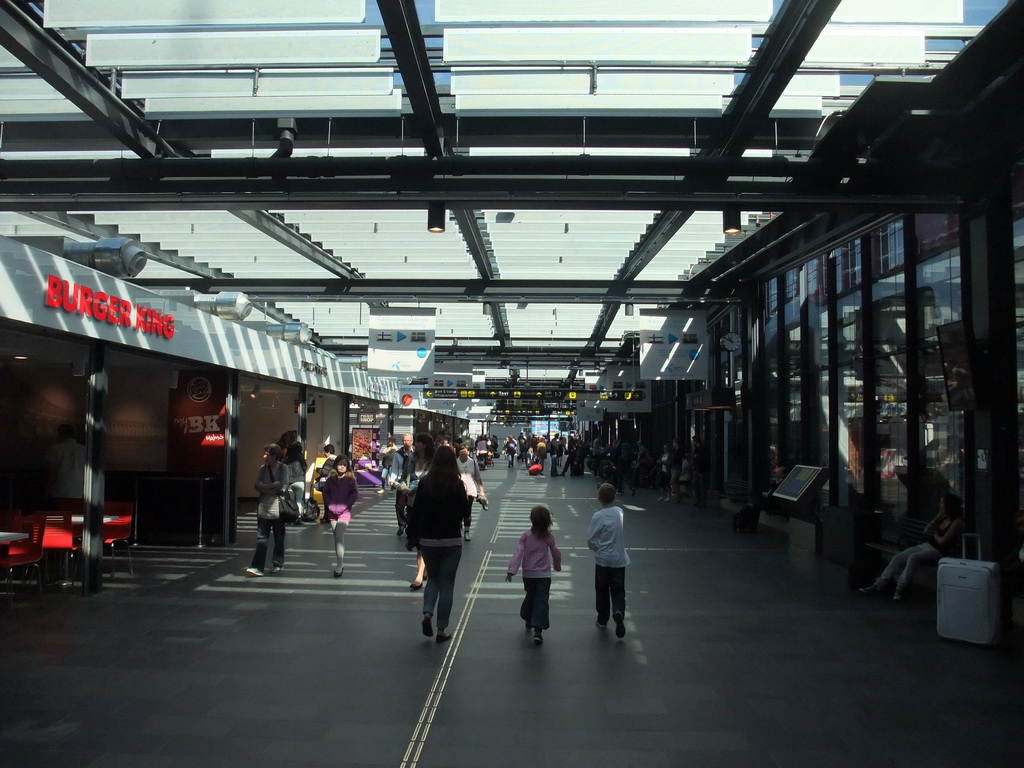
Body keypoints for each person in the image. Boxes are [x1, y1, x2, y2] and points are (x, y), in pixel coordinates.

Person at [406, 446, 466, 644]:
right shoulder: (457, 485)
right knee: (447, 584)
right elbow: (465, 512)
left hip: (429, 540)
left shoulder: (425, 484)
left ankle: (427, 613)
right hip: (451, 539)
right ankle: (441, 629)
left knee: (432, 580)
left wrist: (412, 534)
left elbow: (416, 512)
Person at [860, 493, 965, 600]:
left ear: (949, 505)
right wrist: (937, 517)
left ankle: (900, 588)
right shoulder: (942, 518)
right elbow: (926, 530)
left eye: (942, 503)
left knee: (913, 557)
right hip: (927, 545)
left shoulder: (957, 522)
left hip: (939, 551)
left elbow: (942, 541)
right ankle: (879, 584)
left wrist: (935, 533)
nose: (940, 505)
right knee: (898, 557)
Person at [506, 504, 562, 645]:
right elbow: (555, 552)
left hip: (529, 575)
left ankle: (527, 616)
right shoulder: (548, 537)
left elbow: (518, 553)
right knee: (541, 600)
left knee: (531, 595)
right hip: (544, 575)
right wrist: (557, 565)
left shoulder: (526, 536)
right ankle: (538, 629)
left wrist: (511, 570)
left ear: (532, 520)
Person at [587, 482, 631, 638]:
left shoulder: (598, 516)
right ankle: (618, 611)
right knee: (618, 590)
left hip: (603, 560)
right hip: (619, 559)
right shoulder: (619, 512)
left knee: (602, 590)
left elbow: (590, 539)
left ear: (599, 498)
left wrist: (596, 548)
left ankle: (602, 619)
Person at [247, 444, 289, 577]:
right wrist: (271, 486)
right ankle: (257, 566)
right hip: (264, 507)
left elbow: (282, 486)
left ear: (275, 456)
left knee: (279, 537)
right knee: (261, 538)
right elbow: (257, 485)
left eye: (267, 454)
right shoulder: (262, 468)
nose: (264, 456)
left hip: (278, 507)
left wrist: (265, 488)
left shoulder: (284, 468)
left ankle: (277, 563)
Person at [403, 433, 434, 590]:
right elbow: (404, 478)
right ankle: (421, 572)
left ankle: (420, 574)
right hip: (412, 503)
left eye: (419, 442)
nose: (416, 444)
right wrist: (403, 487)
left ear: (425, 445)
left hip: (428, 505)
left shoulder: (433, 462)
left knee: (425, 540)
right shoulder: (411, 459)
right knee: (417, 541)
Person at [322, 455, 358, 578]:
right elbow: (325, 492)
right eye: (340, 464)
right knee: (337, 538)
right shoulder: (331, 479)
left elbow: (354, 494)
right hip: (332, 512)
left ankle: (339, 564)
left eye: (344, 464)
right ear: (336, 465)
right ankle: (339, 563)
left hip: (344, 512)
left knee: (339, 535)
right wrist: (329, 505)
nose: (342, 467)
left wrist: (346, 505)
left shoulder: (350, 479)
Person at [45, 423, 86, 506]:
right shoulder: (84, 450)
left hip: (58, 490)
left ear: (61, 434)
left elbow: (51, 472)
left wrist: (46, 491)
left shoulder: (55, 449)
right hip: (78, 491)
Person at [998, 510, 1024, 634]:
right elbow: (1011, 557)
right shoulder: (1020, 540)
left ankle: (1005, 621)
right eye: (1020, 524)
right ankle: (1004, 620)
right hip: (1018, 574)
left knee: (1005, 581)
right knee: (1003, 582)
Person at [456, 446, 484, 541]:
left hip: (470, 491)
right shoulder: (455, 462)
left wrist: (481, 490)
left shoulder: (473, 462)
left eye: (465, 451)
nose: (463, 453)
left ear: (468, 452)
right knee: (458, 511)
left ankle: (467, 531)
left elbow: (477, 477)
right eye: (461, 451)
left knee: (467, 511)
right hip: (457, 490)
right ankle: (459, 527)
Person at [389, 434, 414, 536]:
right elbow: (395, 468)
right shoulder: (398, 454)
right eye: (404, 440)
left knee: (411, 506)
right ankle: (402, 524)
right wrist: (392, 480)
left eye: (408, 440)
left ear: (412, 441)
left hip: (412, 482)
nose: (406, 442)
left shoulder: (416, 453)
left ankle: (410, 525)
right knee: (399, 505)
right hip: (400, 482)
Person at [283, 440, 307, 526]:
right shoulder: (300, 456)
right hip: (299, 480)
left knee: (291, 500)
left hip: (289, 481)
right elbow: (304, 466)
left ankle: (291, 516)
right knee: (299, 500)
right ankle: (298, 517)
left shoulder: (287, 457)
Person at [691, 435, 710, 507]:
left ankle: (702, 501)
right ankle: (699, 500)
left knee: (702, 485)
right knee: (697, 485)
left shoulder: (702, 449)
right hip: (698, 469)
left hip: (701, 469)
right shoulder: (697, 449)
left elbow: (704, 459)